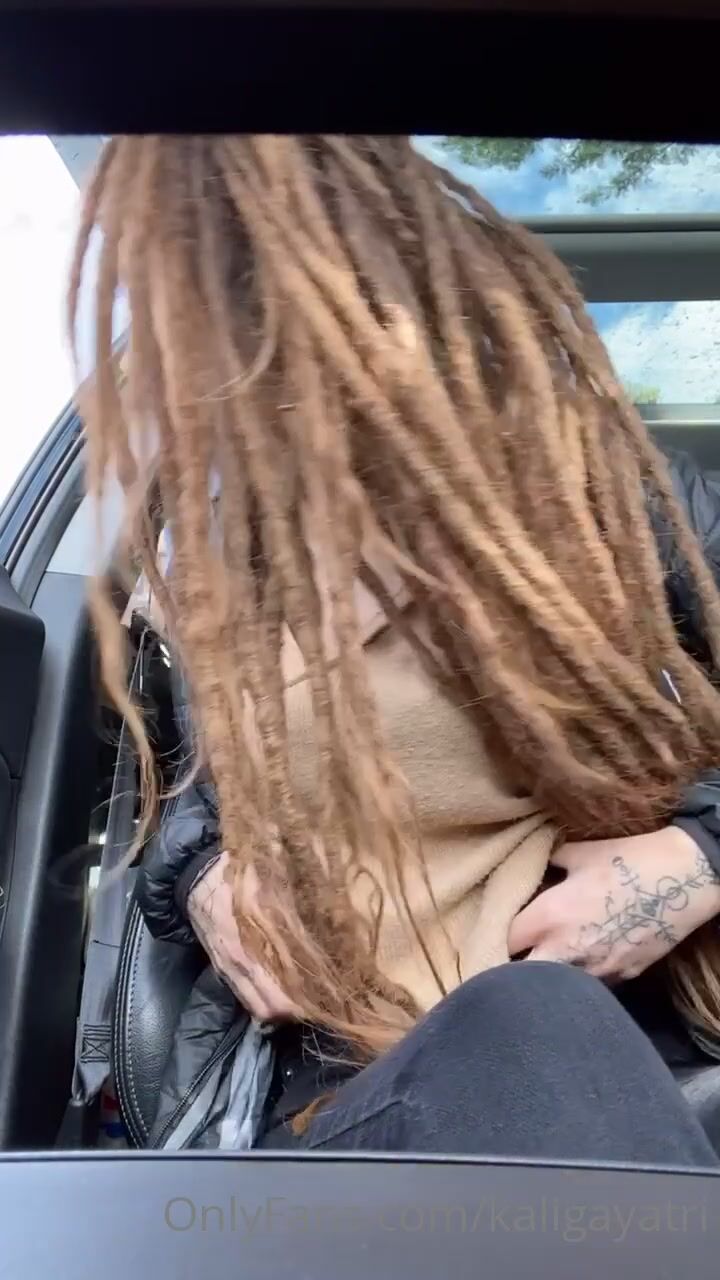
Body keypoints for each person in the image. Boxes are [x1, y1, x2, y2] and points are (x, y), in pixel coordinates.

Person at [72, 135, 720, 1161]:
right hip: (342, 1082)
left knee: (536, 1022)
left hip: (641, 1062)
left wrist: (696, 858)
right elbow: (199, 799)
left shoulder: (634, 511)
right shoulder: (239, 576)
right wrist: (204, 876)